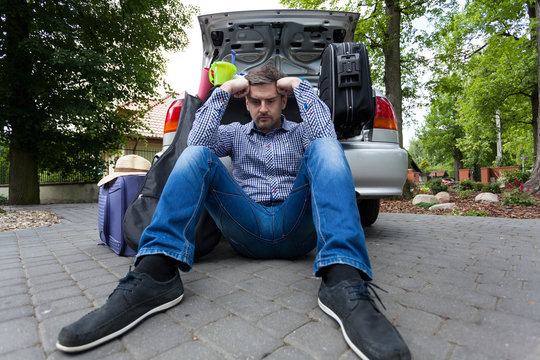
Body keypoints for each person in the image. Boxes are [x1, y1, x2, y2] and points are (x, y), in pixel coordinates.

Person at [57, 66, 411, 360]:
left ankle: (344, 279)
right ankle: (156, 273)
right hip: (248, 226)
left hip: (296, 224)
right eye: (255, 102)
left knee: (326, 148)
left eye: (271, 100)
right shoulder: (236, 134)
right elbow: (194, 140)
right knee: (196, 154)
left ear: (282, 100)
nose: (262, 109)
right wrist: (225, 90)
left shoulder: (301, 131)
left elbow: (325, 134)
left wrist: (299, 86)